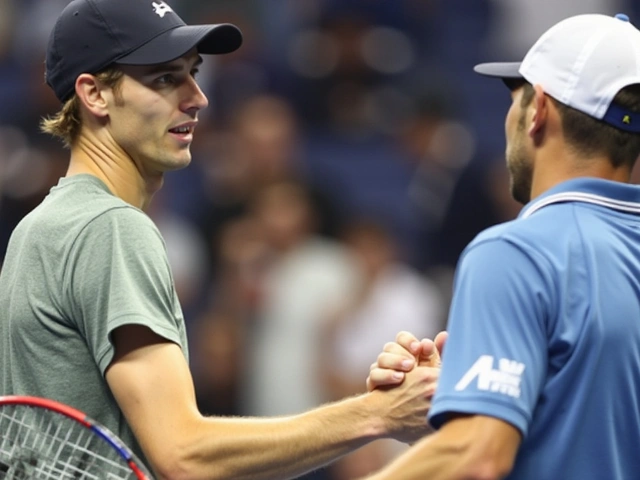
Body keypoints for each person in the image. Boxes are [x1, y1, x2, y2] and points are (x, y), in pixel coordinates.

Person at [0, 1, 442, 479]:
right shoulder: (111, 228)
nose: (197, 97)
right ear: (95, 95)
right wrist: (376, 415)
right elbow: (185, 454)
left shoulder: (38, 226)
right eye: (165, 78)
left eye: (193, 73)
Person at [364, 12, 640, 480]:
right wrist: (472, 389)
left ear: (539, 113)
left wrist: (466, 432)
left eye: (515, 96)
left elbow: (477, 456)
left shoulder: (514, 254)